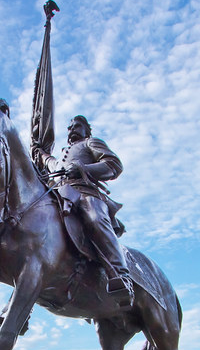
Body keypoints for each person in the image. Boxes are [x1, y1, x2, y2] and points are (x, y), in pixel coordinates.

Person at [32, 116, 132, 305]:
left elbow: (113, 165)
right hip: (61, 197)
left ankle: (121, 275)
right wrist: (40, 153)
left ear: (87, 130)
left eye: (77, 126)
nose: (72, 129)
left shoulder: (90, 143)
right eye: (69, 127)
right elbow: (52, 164)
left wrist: (83, 169)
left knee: (94, 218)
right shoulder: (62, 156)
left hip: (85, 194)